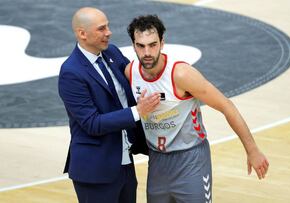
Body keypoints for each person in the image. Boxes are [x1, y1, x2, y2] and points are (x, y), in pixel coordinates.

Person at [124, 15, 270, 203]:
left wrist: (252, 150)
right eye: (141, 46)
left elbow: (226, 106)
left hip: (190, 159)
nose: (147, 52)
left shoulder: (181, 74)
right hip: (157, 161)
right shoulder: (131, 72)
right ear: (133, 45)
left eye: (152, 44)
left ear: (162, 42)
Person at [58, 7, 160, 203]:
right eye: (101, 29)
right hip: (95, 170)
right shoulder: (71, 73)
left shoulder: (111, 52)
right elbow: (92, 123)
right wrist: (137, 111)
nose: (109, 32)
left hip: (123, 162)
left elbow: (137, 77)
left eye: (108, 26)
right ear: (82, 33)